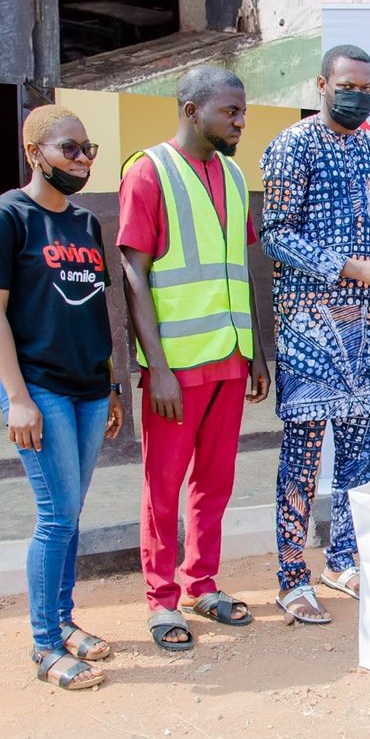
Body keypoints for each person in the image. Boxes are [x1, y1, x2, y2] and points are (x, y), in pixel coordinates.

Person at [0, 105, 123, 691]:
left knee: (71, 512)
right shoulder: (4, 218)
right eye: (70, 149)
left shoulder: (86, 224)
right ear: (35, 152)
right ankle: (44, 644)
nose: (82, 160)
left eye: (88, 150)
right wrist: (17, 397)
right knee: (56, 515)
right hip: (39, 389)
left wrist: (109, 385)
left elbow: (95, 312)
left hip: (87, 389)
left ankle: (63, 620)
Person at [118, 66, 270, 652]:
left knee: (215, 481)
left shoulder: (233, 175)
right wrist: (155, 366)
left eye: (242, 112)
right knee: (163, 485)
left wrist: (255, 350)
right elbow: (133, 271)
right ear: (190, 110)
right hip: (176, 368)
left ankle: (201, 584)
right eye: (230, 111)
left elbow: (242, 266)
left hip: (231, 359)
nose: (239, 121)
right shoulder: (148, 172)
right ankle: (160, 601)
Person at [261, 44, 370, 625]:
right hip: (309, 331)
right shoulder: (290, 146)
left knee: (360, 455)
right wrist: (353, 269)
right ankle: (291, 577)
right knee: (302, 457)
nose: (360, 96)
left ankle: (343, 559)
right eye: (349, 85)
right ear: (322, 85)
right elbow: (275, 234)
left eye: (369, 89)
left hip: (368, 330)